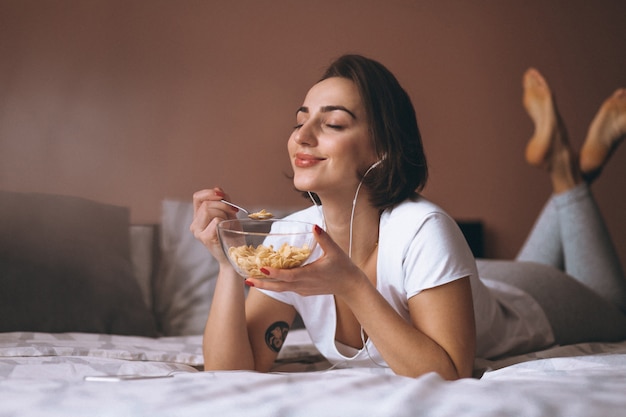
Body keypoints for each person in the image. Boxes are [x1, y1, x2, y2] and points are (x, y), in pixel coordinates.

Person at [190, 55, 626, 380]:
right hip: (476, 283)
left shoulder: (426, 228)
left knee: (615, 307)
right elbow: (230, 373)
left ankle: (569, 176)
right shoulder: (291, 239)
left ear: (382, 148)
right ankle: (570, 171)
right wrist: (229, 263)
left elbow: (451, 372)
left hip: (537, 300)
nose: (302, 136)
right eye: (300, 121)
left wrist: (350, 284)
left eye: (334, 124)